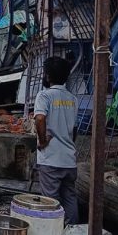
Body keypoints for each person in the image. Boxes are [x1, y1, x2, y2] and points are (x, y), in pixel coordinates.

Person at [34, 56, 78, 224]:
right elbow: (74, 129)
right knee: (70, 199)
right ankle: (73, 230)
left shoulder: (44, 96)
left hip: (51, 160)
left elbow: (39, 118)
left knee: (50, 203)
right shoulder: (73, 99)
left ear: (47, 76)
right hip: (69, 160)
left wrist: (42, 141)